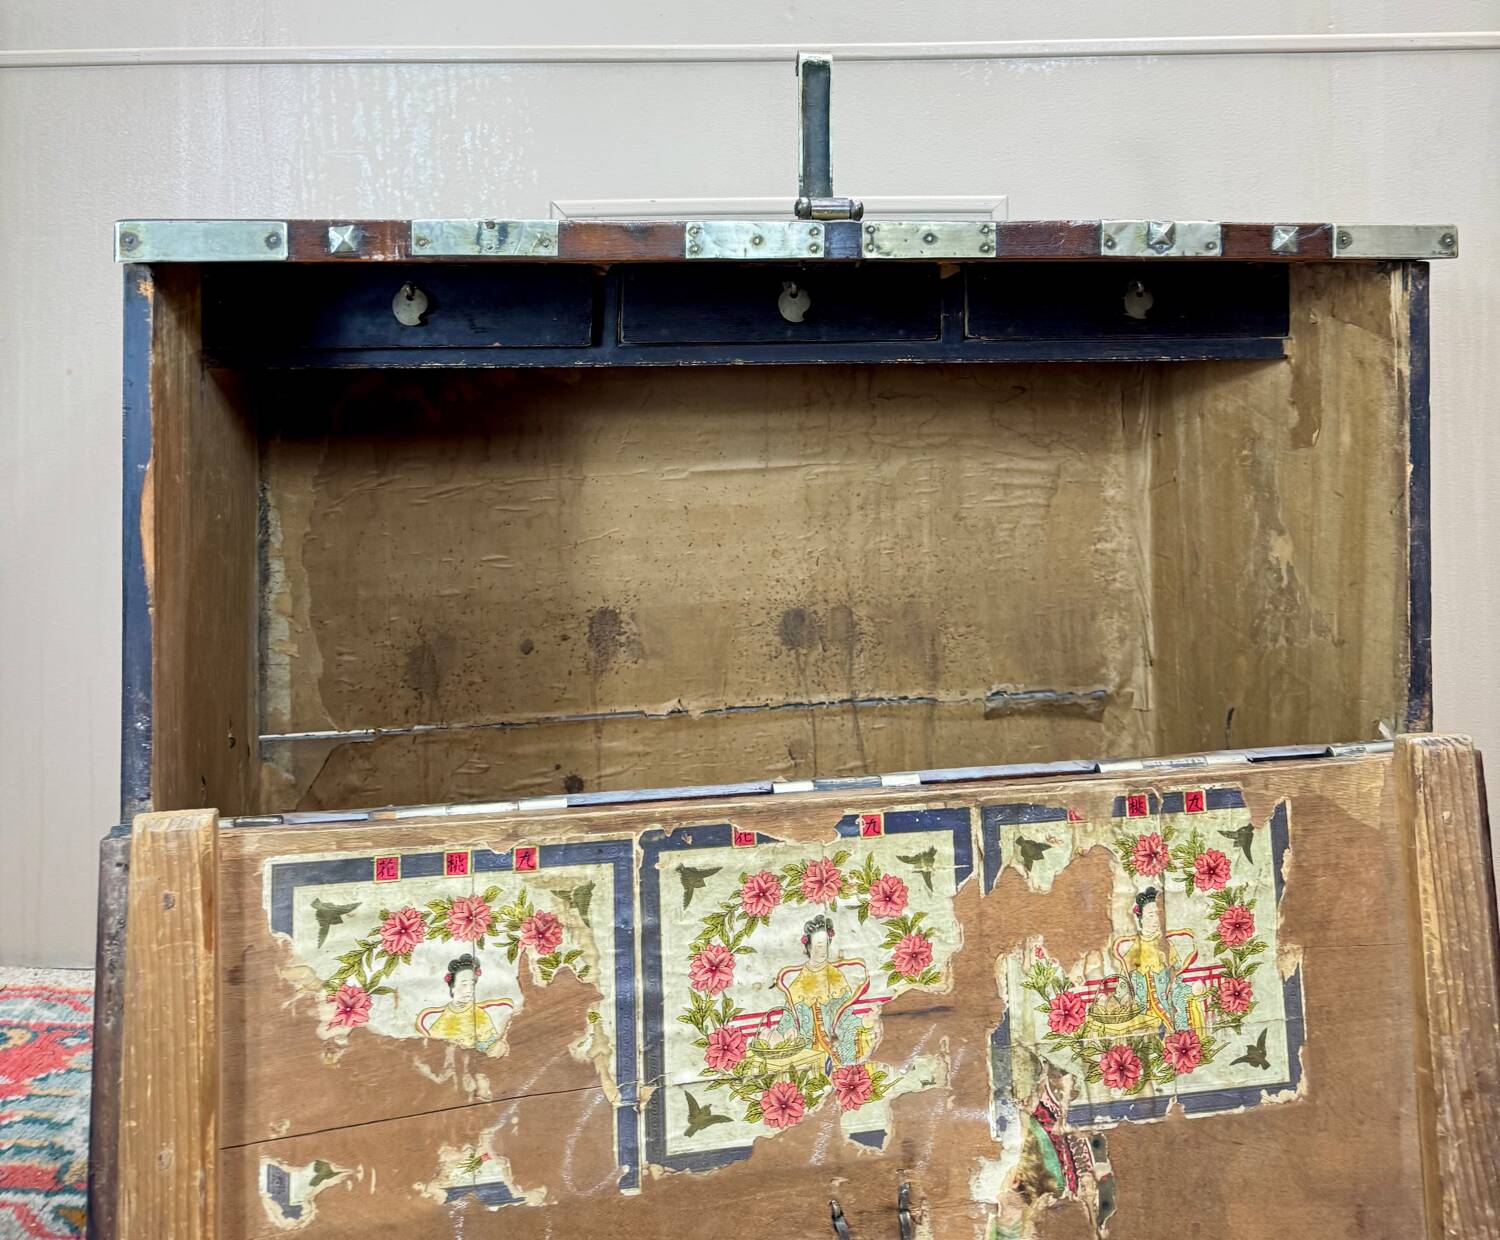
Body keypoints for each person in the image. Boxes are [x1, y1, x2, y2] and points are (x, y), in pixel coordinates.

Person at [757, 915, 871, 1072]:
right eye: (818, 946)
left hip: (835, 1038)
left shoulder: (836, 977)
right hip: (808, 1044)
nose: (822, 952)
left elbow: (846, 1014)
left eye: (825, 946)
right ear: (809, 947)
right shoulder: (798, 983)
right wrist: (779, 1036)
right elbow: (789, 1019)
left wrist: (861, 1023)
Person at [1090, 889, 1204, 1038]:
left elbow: (1176, 979)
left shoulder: (1166, 945)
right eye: (1150, 915)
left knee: (1180, 1010)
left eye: (1158, 914)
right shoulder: (1134, 949)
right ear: (1141, 918)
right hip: (1142, 1008)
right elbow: (1123, 984)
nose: (1155, 920)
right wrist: (1116, 1000)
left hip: (1166, 1003)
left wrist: (1188, 990)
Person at [418, 954, 510, 1052]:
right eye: (464, 984)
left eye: (472, 985)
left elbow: (490, 1049)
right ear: (453, 988)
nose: (469, 990)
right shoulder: (443, 1015)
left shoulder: (480, 1015)